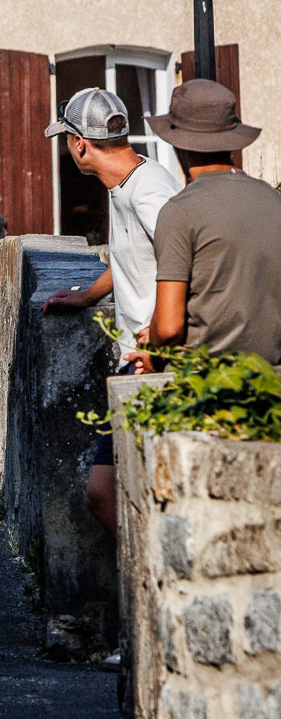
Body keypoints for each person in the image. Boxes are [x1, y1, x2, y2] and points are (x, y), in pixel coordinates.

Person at [41, 87, 179, 537]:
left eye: (66, 139)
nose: (68, 148)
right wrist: (88, 295)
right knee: (114, 493)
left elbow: (187, 261)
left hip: (150, 363)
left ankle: (159, 595)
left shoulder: (148, 189)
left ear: (79, 143)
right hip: (137, 361)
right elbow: (134, 259)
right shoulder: (125, 185)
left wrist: (155, 343)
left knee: (104, 494)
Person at [133, 79, 281, 372]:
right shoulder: (273, 199)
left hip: (205, 385)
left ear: (178, 144)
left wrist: (153, 352)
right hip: (269, 382)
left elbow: (170, 327)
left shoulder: (179, 211)